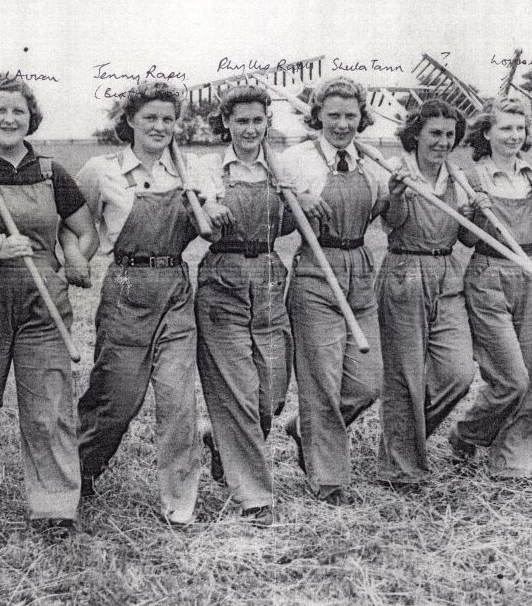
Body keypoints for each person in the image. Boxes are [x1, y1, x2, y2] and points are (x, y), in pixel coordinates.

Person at [0, 77, 98, 538]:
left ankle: (54, 506)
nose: (9, 120)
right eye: (0, 112)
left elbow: (86, 232)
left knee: (49, 406)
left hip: (43, 305)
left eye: (19, 113)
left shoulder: (52, 172)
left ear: (32, 119)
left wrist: (75, 257)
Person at [75, 81, 215, 526]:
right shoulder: (103, 169)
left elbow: (214, 214)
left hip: (174, 285)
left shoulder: (191, 170)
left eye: (168, 119)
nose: (160, 126)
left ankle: (180, 504)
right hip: (127, 288)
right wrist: (77, 255)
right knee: (116, 400)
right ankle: (79, 471)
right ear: (130, 120)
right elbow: (72, 221)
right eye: (150, 117)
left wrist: (215, 210)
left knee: (178, 401)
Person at [278, 76, 387, 505]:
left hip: (359, 266)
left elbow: (383, 209)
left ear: (362, 118)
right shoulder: (294, 160)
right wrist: (296, 199)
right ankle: (329, 480)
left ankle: (304, 428)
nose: (342, 124)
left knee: (366, 382)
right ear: (318, 115)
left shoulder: (371, 159)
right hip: (314, 269)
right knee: (321, 380)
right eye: (334, 115)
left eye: (351, 115)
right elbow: (272, 209)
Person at [447, 96, 532, 479]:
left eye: (520, 128)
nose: (515, 136)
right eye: (506, 128)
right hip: (489, 276)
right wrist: (471, 214)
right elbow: (465, 241)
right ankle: (468, 433)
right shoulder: (472, 177)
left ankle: (512, 459)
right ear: (487, 132)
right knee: (510, 378)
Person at [376, 99, 490, 489]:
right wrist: (394, 197)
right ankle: (400, 469)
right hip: (405, 271)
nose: (443, 142)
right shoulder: (399, 170)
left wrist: (481, 211)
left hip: (448, 274)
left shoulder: (458, 177)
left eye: (450, 135)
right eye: (435, 134)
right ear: (416, 134)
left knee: (458, 373)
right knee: (405, 377)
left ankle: (400, 444)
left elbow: (469, 237)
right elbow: (390, 225)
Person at [195, 85, 295, 527]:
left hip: (271, 277)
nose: (250, 129)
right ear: (227, 124)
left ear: (267, 122)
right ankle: (254, 496)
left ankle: (220, 441)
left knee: (270, 393)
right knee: (236, 387)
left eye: (257, 120)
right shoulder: (209, 168)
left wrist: (304, 202)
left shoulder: (282, 168)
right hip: (224, 277)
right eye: (241, 121)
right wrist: (210, 207)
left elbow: (294, 216)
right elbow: (199, 210)